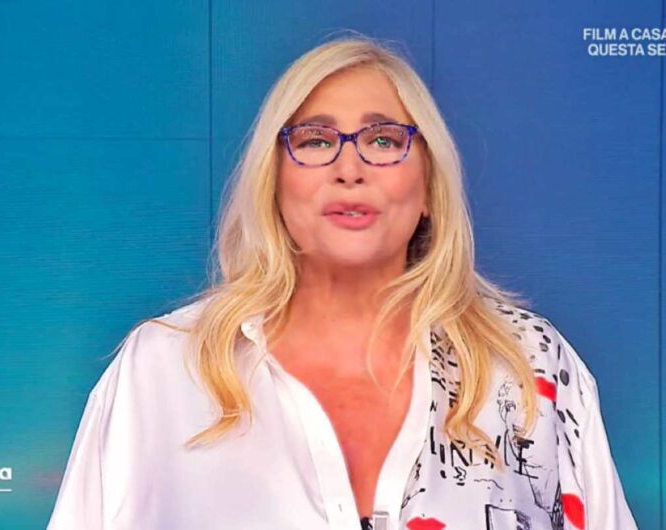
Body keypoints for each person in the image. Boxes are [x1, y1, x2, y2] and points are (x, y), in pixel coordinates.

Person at [46, 34, 638, 530]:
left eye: (383, 140)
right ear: (273, 182)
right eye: (315, 141)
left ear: (429, 187)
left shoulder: (531, 366)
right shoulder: (162, 369)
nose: (349, 168)